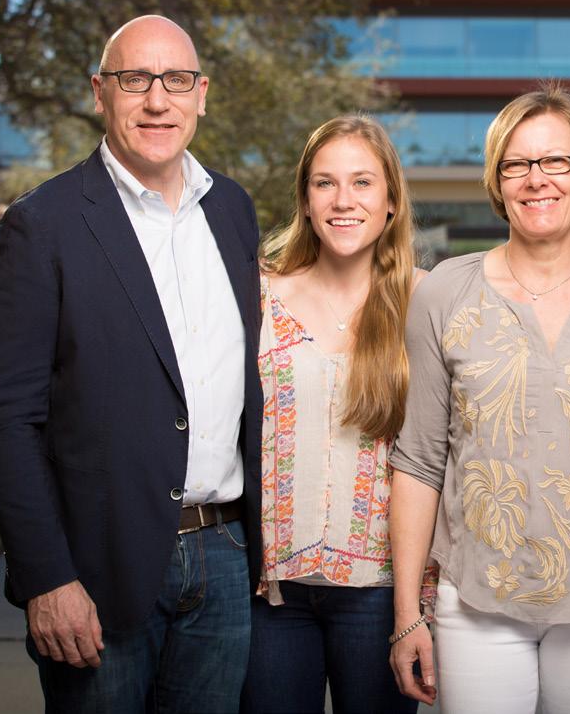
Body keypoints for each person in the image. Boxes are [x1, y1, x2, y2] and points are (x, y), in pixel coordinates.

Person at [0, 15, 262, 712]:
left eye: (176, 80)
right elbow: (7, 420)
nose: (158, 100)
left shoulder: (232, 210)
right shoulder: (40, 225)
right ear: (100, 92)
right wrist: (46, 578)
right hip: (95, 569)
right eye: (136, 80)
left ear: (201, 95)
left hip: (226, 555)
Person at [388, 83, 570, 714]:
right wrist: (408, 615)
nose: (536, 178)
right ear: (497, 183)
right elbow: (419, 459)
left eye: (555, 161)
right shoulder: (445, 293)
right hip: (477, 595)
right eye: (516, 164)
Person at [240, 115, 423, 714]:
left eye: (362, 182)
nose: (344, 200)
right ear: (306, 200)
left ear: (391, 200)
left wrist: (419, 605)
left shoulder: (425, 302)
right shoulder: (257, 296)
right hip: (272, 592)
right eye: (325, 183)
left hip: (381, 593)